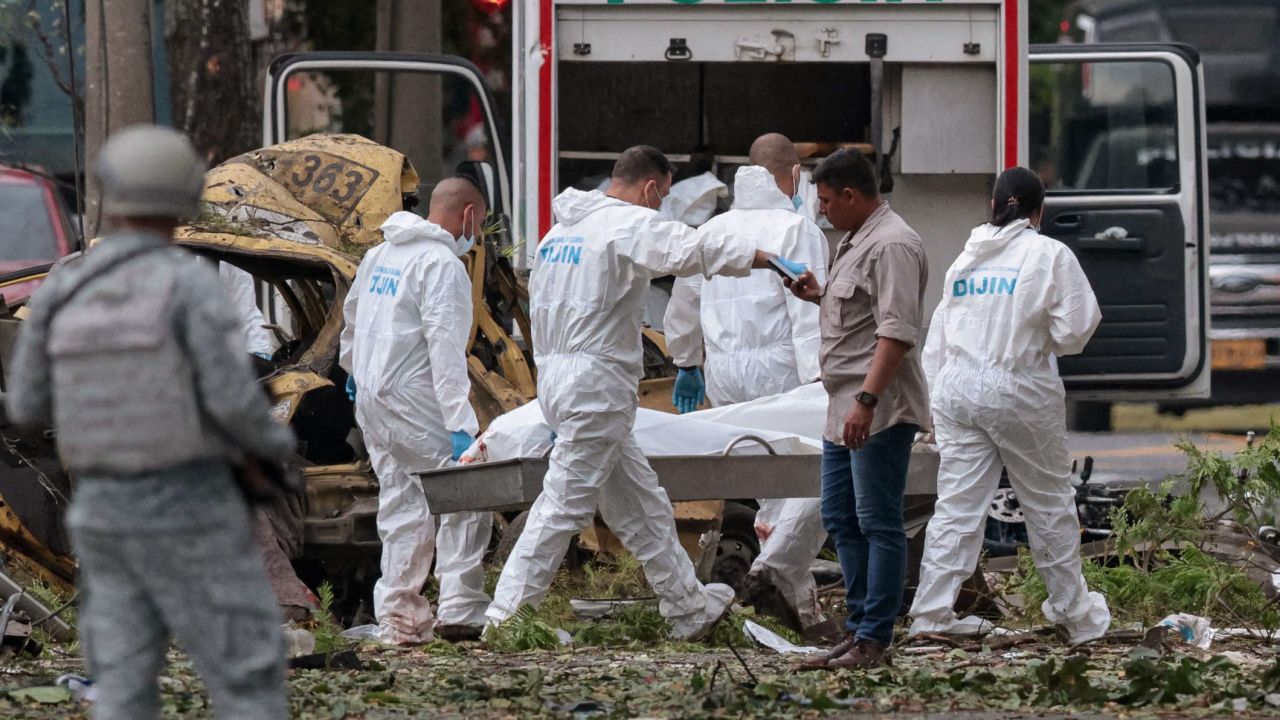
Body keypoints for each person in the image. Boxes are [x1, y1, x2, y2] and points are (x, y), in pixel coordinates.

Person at [5, 125, 296, 720]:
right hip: (193, 509)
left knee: (121, 676)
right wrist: (275, 450)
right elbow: (233, 401)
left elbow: (28, 406)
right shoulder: (192, 285)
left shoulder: (65, 286)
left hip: (103, 511)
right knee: (245, 670)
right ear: (186, 196)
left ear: (111, 194)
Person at [486, 145, 797, 640]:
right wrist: (767, 258)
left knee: (641, 505)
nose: (661, 206)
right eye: (663, 196)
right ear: (651, 187)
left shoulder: (560, 234)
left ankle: (687, 606)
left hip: (562, 381)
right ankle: (506, 619)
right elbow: (691, 250)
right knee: (562, 504)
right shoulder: (625, 223)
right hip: (597, 386)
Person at [909, 167, 1110, 642]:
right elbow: (1077, 328)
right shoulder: (1049, 254)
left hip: (956, 389)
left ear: (994, 206)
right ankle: (1074, 614)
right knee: (1048, 503)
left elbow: (938, 338)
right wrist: (1043, 337)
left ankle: (931, 613)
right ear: (1039, 211)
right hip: (1019, 386)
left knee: (957, 506)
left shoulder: (966, 259)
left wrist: (932, 403)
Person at [663, 133, 832, 637]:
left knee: (765, 481)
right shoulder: (797, 229)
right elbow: (807, 310)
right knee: (808, 474)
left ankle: (792, 599)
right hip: (781, 369)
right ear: (794, 175)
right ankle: (777, 573)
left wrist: (686, 361)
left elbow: (685, 299)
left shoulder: (714, 227)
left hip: (724, 373)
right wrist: (819, 377)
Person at [787, 149, 930, 670]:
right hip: (842, 406)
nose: (823, 212)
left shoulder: (892, 244)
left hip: (878, 407)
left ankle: (874, 639)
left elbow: (896, 332)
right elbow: (862, 312)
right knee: (841, 517)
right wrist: (818, 296)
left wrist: (867, 402)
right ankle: (857, 630)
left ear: (851, 195)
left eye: (827, 201)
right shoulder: (857, 238)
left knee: (877, 521)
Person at [339, 178, 493, 644]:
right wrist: (461, 424)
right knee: (467, 490)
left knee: (402, 503)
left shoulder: (380, 254)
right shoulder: (441, 264)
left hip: (373, 397)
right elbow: (445, 350)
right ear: (468, 215)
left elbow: (352, 318)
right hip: (414, 399)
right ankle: (460, 608)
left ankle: (400, 619)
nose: (476, 235)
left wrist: (353, 368)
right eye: (479, 225)